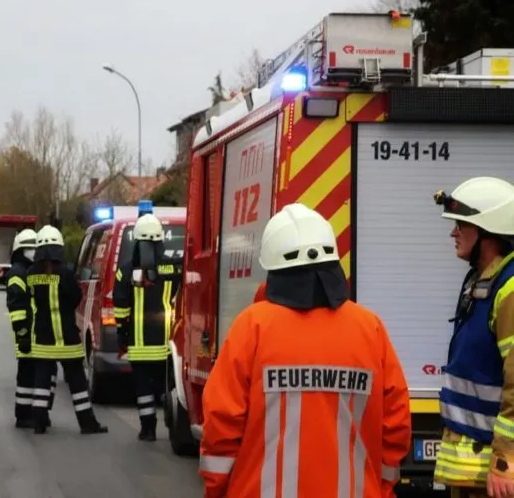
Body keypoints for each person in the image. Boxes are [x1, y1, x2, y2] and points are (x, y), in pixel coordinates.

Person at [198, 203, 411, 498]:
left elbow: (221, 422)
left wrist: (217, 488)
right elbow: (396, 423)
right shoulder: (369, 328)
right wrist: (381, 486)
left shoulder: (252, 326)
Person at [433, 177, 514, 498]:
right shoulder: (481, 283)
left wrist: (505, 459)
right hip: (473, 472)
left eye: (462, 225)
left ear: (487, 232)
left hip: (496, 476)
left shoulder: (508, 290)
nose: (454, 233)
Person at [26, 225, 108, 435]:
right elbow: (75, 298)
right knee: (78, 384)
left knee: (41, 383)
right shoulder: (65, 273)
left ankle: (39, 422)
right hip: (67, 339)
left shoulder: (31, 273)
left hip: (43, 339)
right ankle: (87, 423)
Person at [113, 213, 182, 441]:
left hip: (138, 342)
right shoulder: (173, 268)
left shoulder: (125, 270)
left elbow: (121, 304)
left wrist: (122, 332)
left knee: (143, 387)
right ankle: (172, 422)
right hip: (166, 342)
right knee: (168, 384)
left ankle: (148, 428)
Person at [5, 228, 44, 428]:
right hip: (27, 334)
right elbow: (16, 306)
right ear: (20, 250)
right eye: (29, 248)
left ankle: (36, 414)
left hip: (38, 334)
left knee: (39, 376)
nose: (33, 252)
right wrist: (22, 334)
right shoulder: (17, 273)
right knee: (27, 376)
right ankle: (23, 415)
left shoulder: (33, 270)